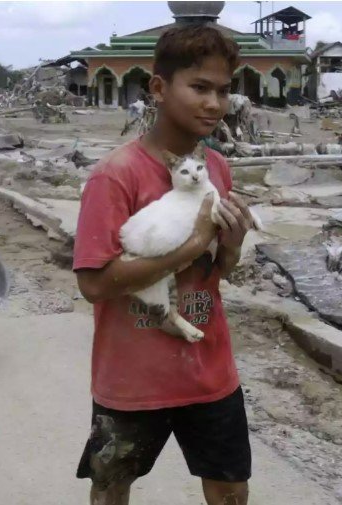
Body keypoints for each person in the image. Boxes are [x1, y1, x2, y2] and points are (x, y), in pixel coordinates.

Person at [73, 25, 254, 505]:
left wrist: (230, 247)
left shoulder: (216, 167)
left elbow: (218, 273)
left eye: (223, 90)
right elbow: (93, 283)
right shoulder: (115, 176)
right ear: (158, 87)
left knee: (231, 490)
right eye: (199, 87)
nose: (214, 103)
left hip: (209, 369)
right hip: (132, 378)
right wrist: (194, 243)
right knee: (111, 489)